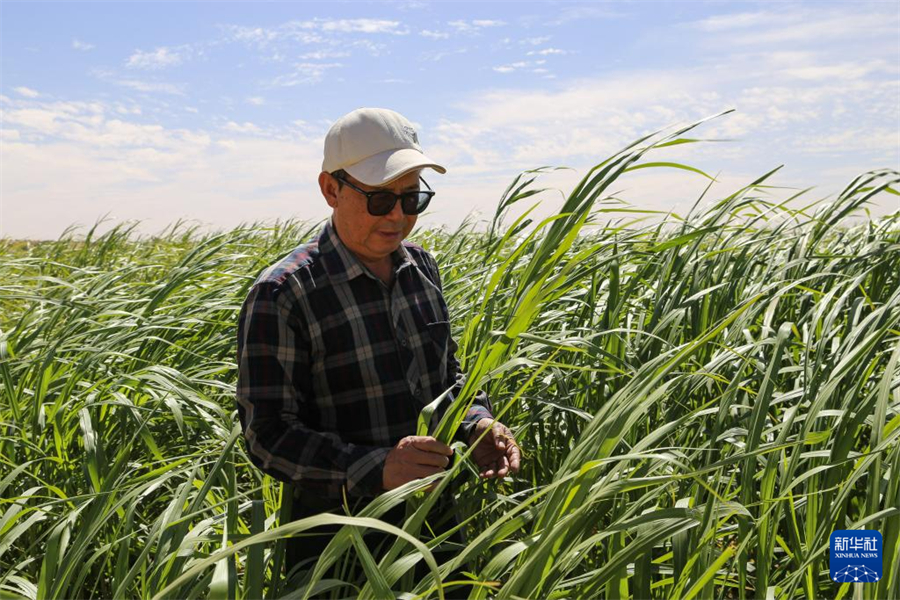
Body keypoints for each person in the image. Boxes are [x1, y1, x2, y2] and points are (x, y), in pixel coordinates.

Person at [235, 107, 521, 583]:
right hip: (339, 552)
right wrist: (376, 469)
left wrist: (477, 425)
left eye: (412, 200)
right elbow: (266, 435)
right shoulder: (285, 292)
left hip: (436, 532)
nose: (397, 216)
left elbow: (447, 377)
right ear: (331, 189)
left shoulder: (421, 269)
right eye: (379, 199)